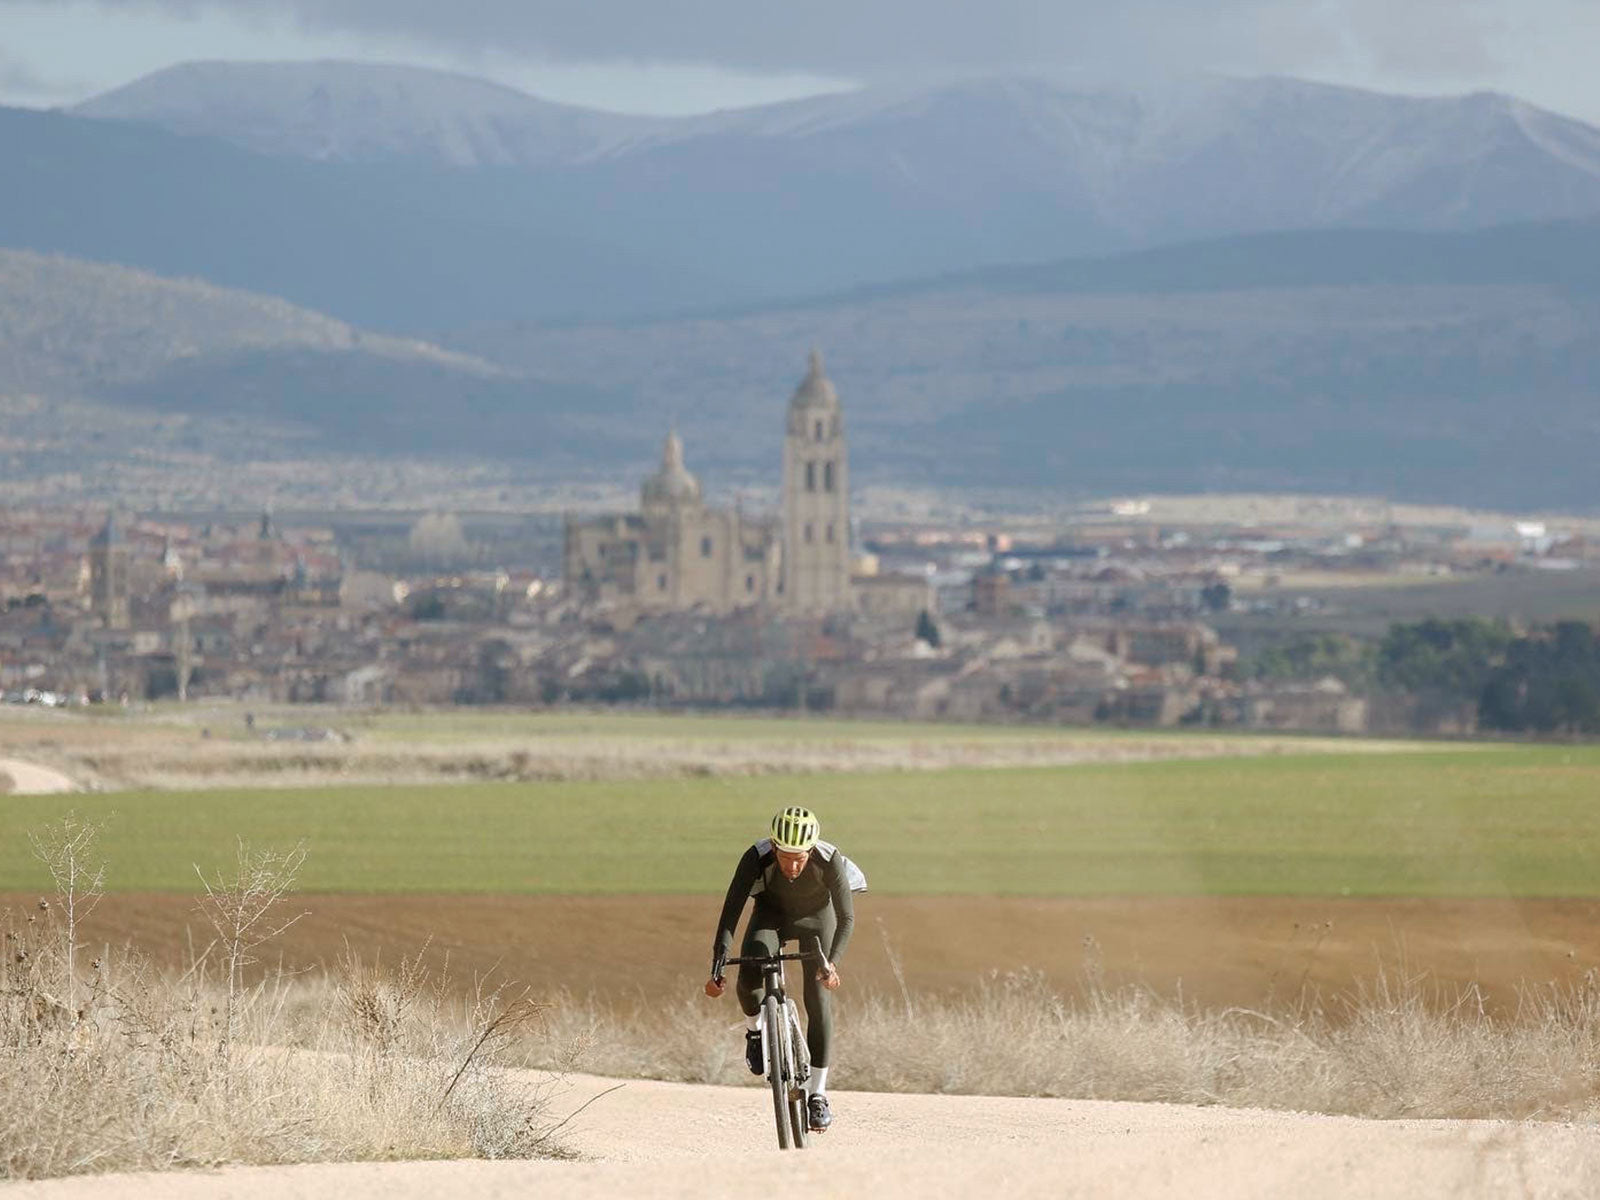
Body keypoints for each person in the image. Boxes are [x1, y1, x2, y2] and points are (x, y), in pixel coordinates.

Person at [704, 805, 861, 1133]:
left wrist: (831, 963)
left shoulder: (828, 859)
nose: (791, 865)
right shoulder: (755, 857)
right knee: (749, 973)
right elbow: (732, 909)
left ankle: (818, 1094)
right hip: (771, 915)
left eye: (799, 858)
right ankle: (755, 1030)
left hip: (818, 919)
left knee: (818, 1000)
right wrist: (718, 962)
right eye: (784, 856)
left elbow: (846, 918)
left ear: (811, 850)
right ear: (773, 847)